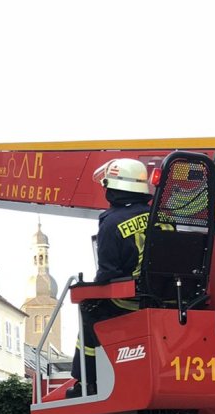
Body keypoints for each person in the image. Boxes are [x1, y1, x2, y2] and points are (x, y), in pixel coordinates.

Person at [67, 158, 152, 398]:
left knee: (90, 309)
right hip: (164, 300)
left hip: (128, 301)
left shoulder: (110, 223)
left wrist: (89, 290)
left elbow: (107, 273)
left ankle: (86, 381)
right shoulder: (163, 218)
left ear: (114, 189)